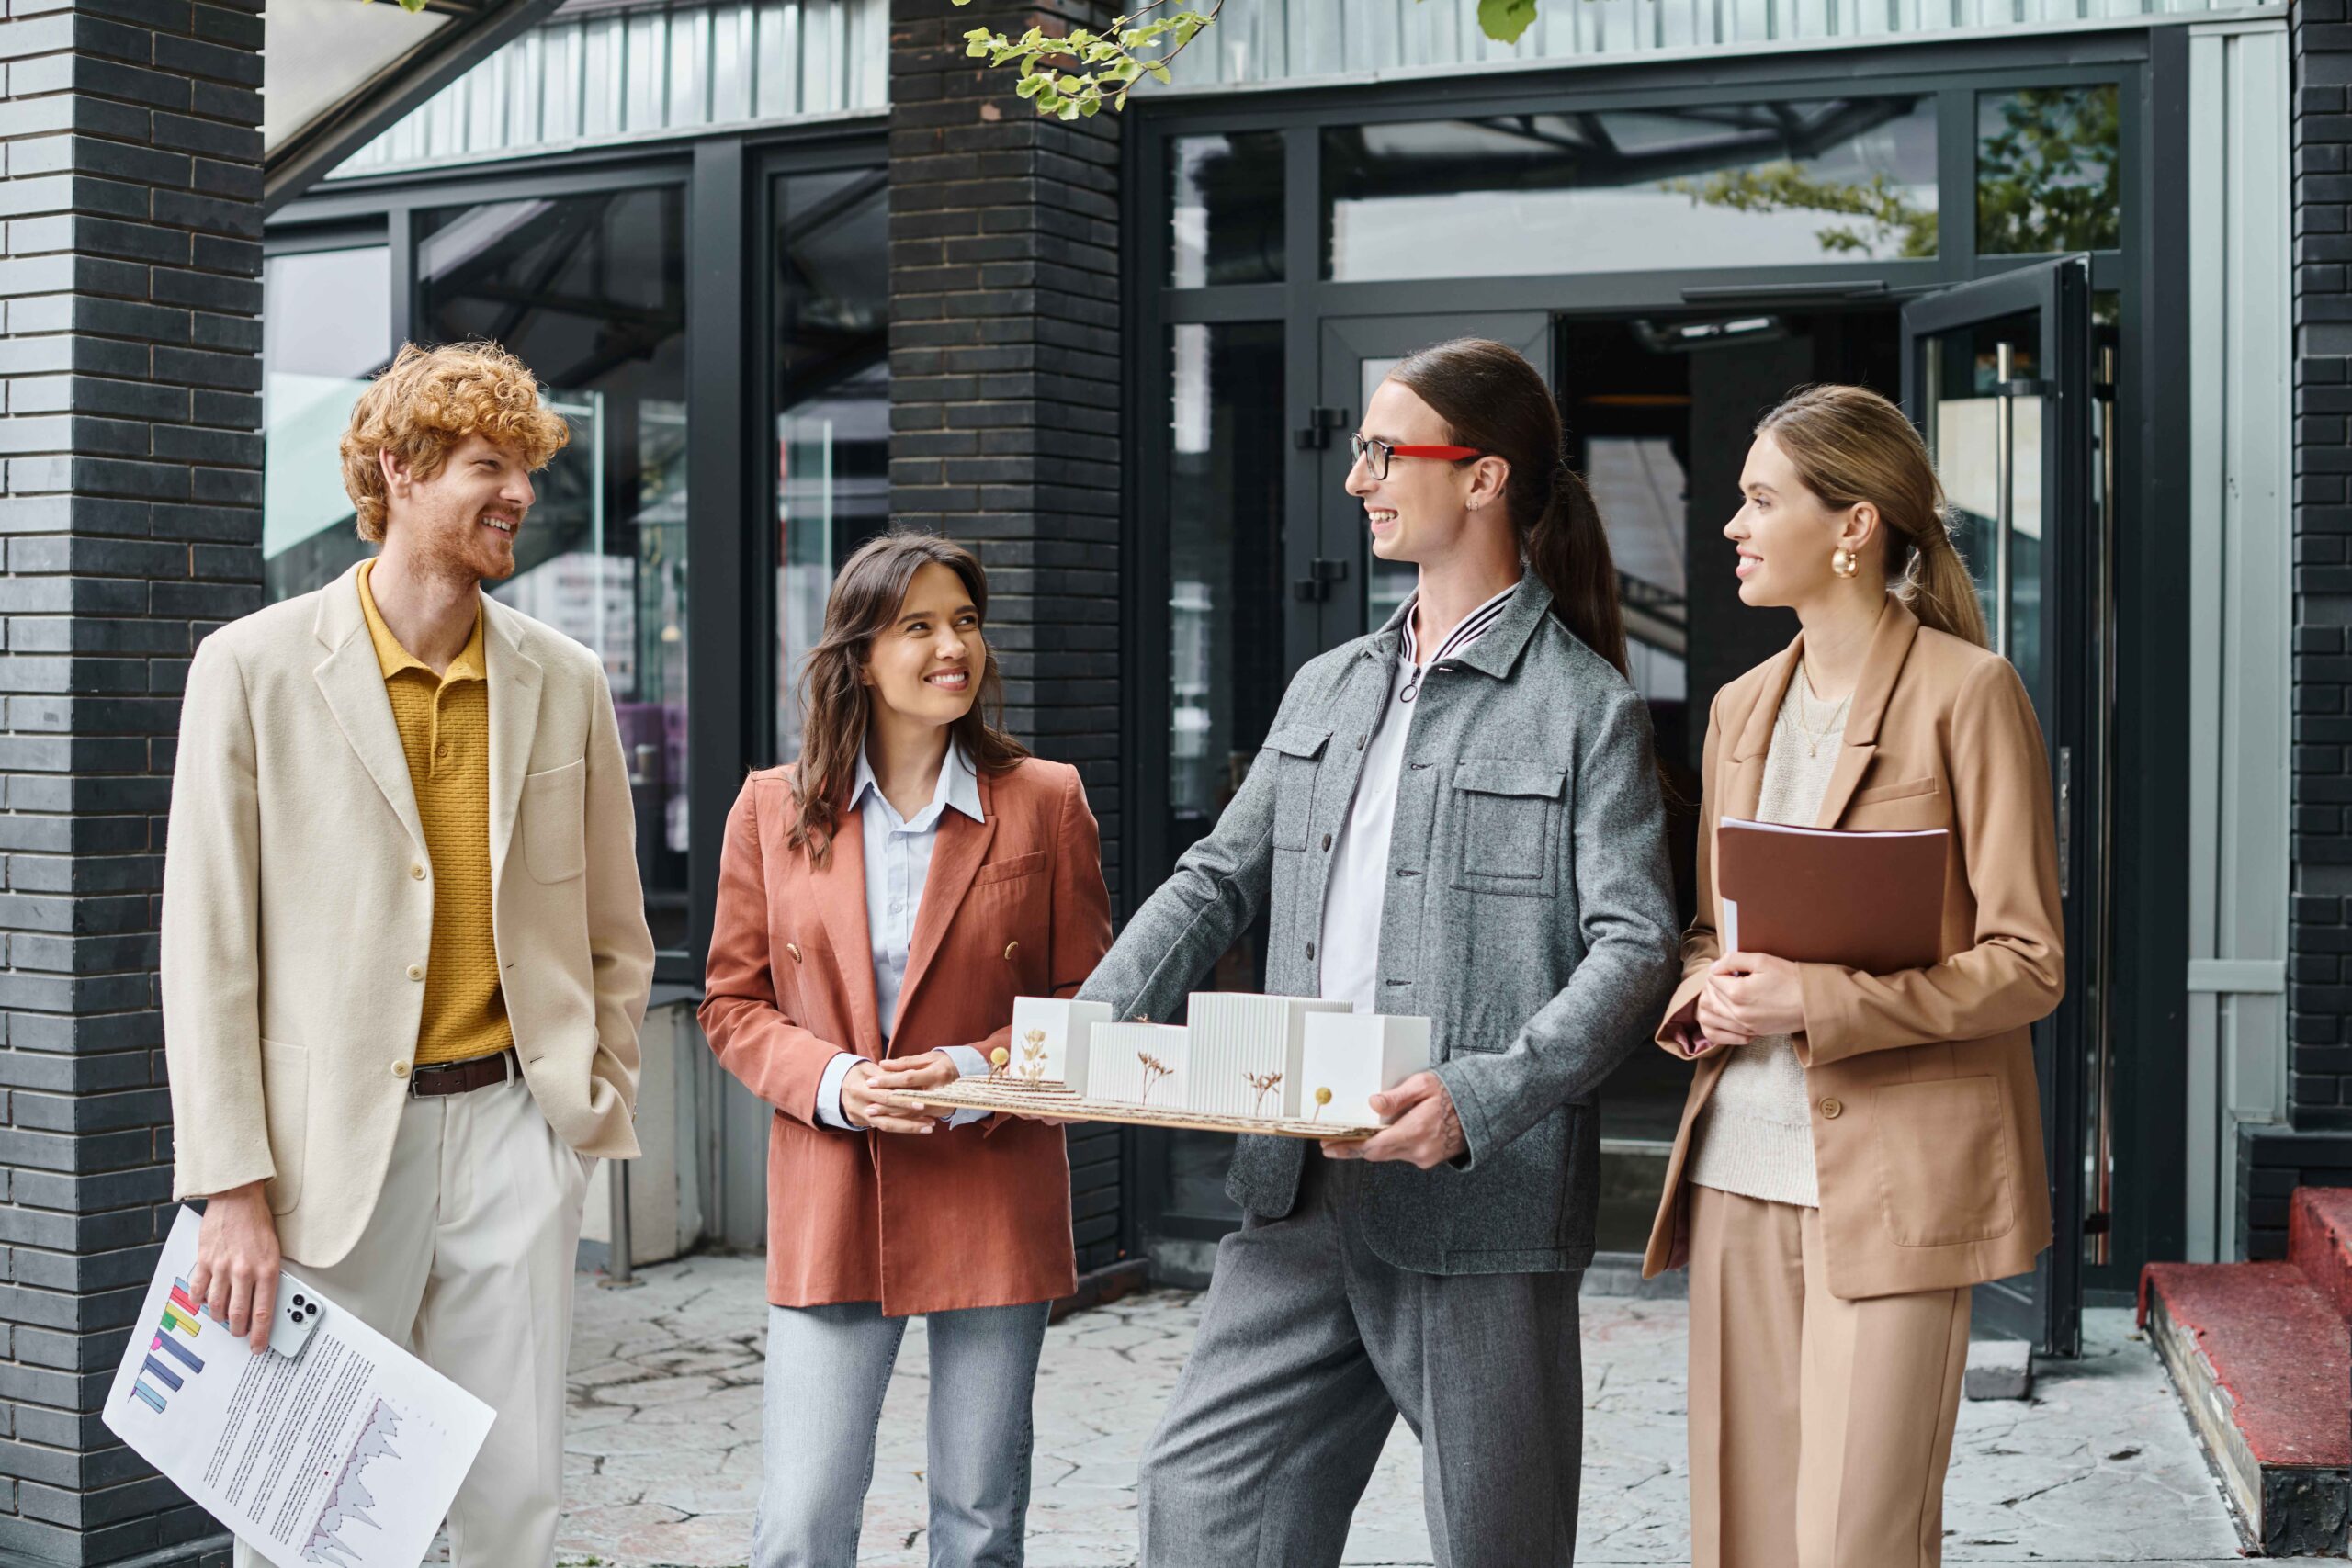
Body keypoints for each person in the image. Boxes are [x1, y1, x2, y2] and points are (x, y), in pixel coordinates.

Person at [1078, 338, 1679, 1568]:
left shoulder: (1584, 707)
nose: (1357, 477)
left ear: (1483, 477)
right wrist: (1081, 1026)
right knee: (1203, 1504)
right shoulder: (1327, 687)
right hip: (1295, 1185)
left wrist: (1477, 1097)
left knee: (1496, 1541)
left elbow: (1635, 948)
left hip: (1481, 1205)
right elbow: (1213, 882)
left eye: (1382, 448)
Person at [163, 340, 657, 1567]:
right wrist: (232, 1185)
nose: (522, 494)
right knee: (303, 1518)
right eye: (490, 466)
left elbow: (614, 929)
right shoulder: (253, 667)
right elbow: (207, 945)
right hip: (324, 1158)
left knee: (511, 1505)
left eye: (527, 468)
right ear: (397, 469)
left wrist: (582, 1114)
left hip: (510, 1132)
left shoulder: (568, 679)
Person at [1642, 383, 2064, 1568]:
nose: (1730, 522)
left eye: (1759, 498)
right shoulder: (1737, 710)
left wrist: (1814, 1002)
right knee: (1745, 1536)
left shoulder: (1969, 696)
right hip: (1738, 1168)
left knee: (1856, 1543)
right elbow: (1706, 931)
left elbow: (2029, 964)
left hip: (1899, 1184)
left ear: (1852, 526)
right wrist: (1706, 994)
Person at [699, 530, 1114, 1568]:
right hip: (834, 1189)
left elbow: (1094, 1004)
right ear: (859, 654)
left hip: (993, 1185)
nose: (952, 648)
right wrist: (837, 1084)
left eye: (966, 622)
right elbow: (732, 1003)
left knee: (978, 1526)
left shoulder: (1046, 800)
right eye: (919, 625)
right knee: (801, 1522)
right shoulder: (771, 807)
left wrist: (976, 1073)